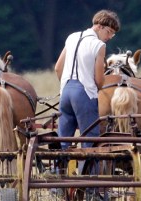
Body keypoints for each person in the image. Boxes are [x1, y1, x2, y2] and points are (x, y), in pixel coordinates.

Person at [54, 9, 120, 149]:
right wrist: (99, 88)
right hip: (83, 93)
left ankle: (59, 169)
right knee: (90, 140)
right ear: (99, 26)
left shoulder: (71, 37)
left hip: (65, 92)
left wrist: (65, 85)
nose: (109, 37)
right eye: (109, 32)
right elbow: (98, 79)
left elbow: (58, 68)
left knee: (63, 139)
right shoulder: (99, 45)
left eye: (113, 35)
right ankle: (88, 172)